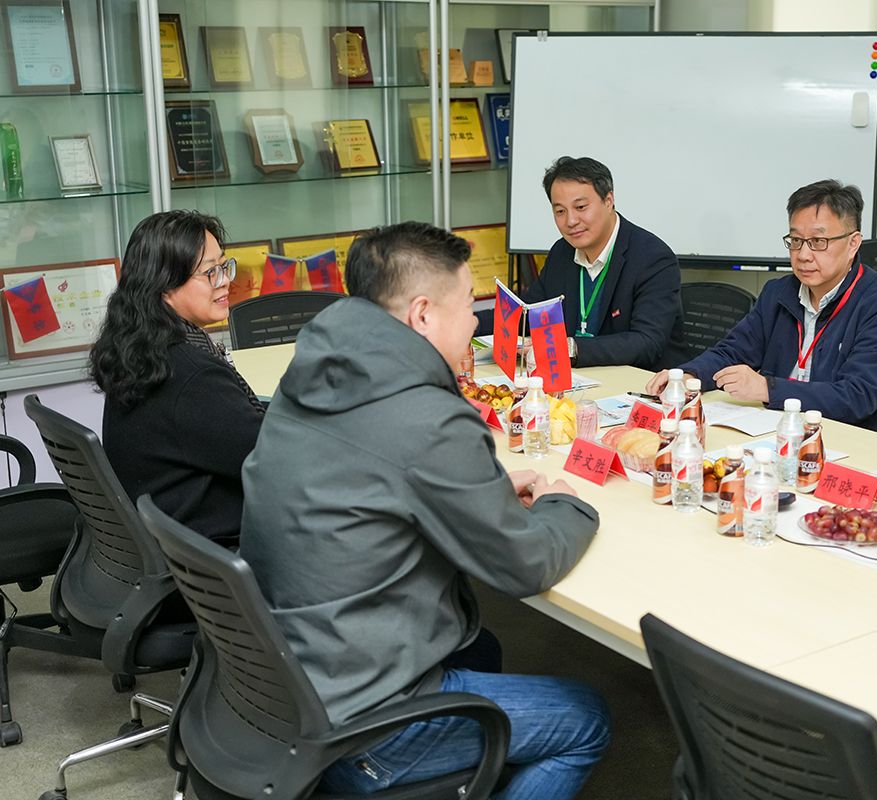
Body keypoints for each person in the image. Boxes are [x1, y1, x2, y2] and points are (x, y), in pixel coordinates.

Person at [238, 222, 609, 798]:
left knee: (483, 647)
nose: (476, 322)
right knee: (586, 718)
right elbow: (526, 565)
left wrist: (477, 491)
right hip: (363, 722)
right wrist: (565, 503)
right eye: (466, 306)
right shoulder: (429, 417)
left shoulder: (314, 373)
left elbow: (375, 478)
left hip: (284, 680)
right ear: (422, 315)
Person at [646, 179, 877, 439]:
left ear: (853, 243)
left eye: (818, 242)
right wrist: (688, 375)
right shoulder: (779, 292)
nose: (803, 255)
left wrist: (767, 389)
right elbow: (733, 351)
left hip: (857, 439)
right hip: (781, 430)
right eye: (796, 240)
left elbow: (856, 396)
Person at [90, 210, 263, 548]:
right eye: (209, 272)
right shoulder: (192, 375)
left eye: (224, 266)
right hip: (213, 548)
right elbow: (270, 456)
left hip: (169, 533)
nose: (224, 281)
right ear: (165, 286)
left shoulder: (140, 347)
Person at [523, 155, 688, 371]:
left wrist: (571, 348)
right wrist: (479, 321)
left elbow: (647, 342)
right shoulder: (562, 252)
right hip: (580, 379)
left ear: (608, 201)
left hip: (641, 382)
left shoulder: (653, 257)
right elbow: (531, 311)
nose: (571, 221)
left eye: (581, 207)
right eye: (560, 211)